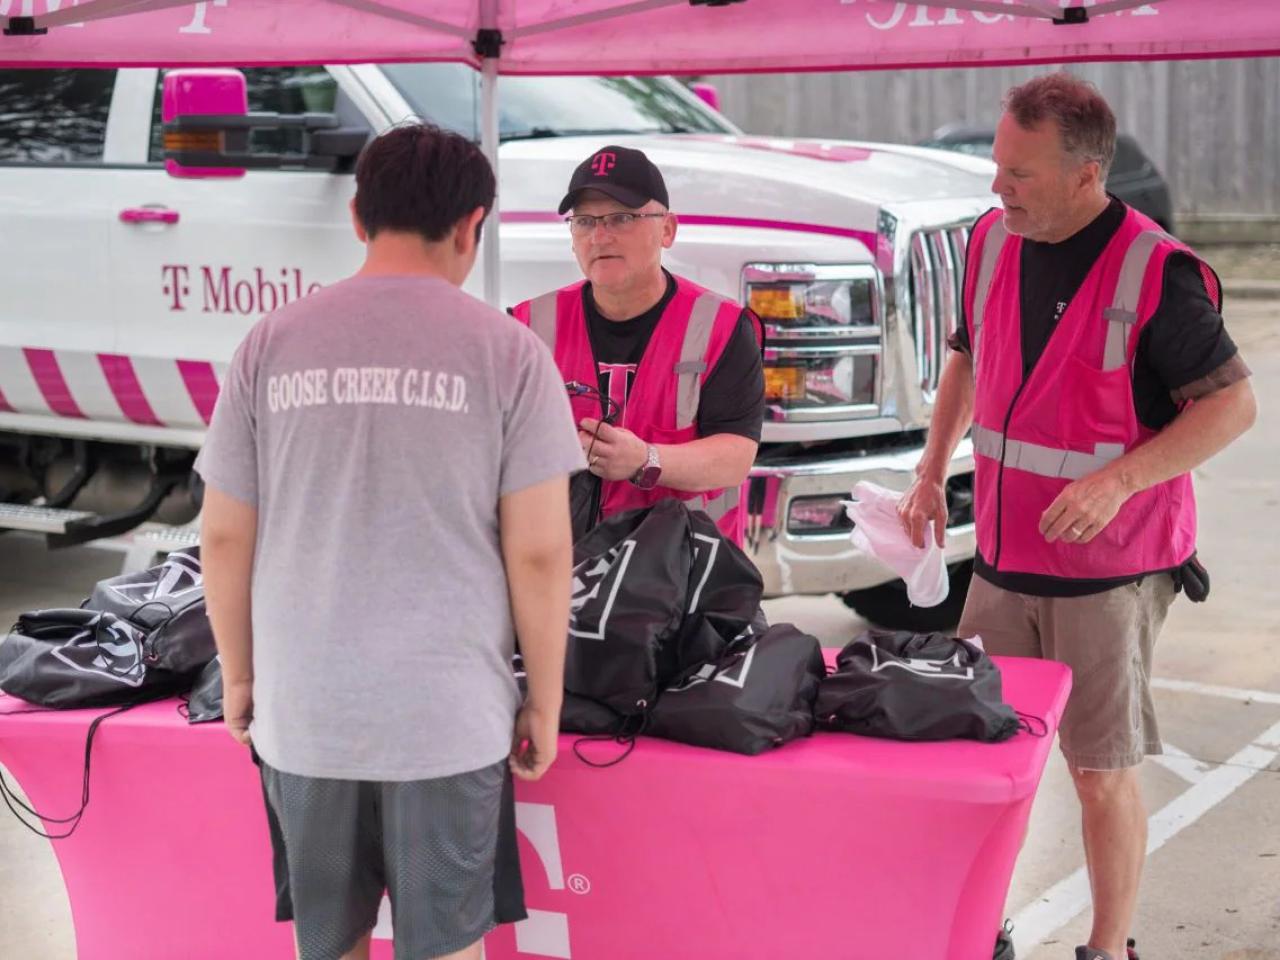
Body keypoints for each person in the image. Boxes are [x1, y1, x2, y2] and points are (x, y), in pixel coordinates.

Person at [197, 122, 584, 960]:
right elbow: (541, 552)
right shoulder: (510, 355)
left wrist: (240, 678)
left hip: (305, 716)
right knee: (443, 949)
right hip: (446, 721)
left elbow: (224, 536)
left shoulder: (270, 344)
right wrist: (544, 701)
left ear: (358, 217)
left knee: (327, 945)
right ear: (471, 226)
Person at [898, 73, 1256, 960]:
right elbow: (965, 357)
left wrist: (1117, 483)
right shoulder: (991, 240)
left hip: (1110, 572)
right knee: (984, 762)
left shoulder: (1156, 271)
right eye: (996, 165)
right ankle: (986, 930)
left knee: (1098, 773)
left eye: (1017, 173)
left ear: (1086, 175)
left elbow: (1233, 407)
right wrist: (932, 467)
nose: (996, 187)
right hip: (1002, 560)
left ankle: (1107, 949)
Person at [510, 145, 765, 545]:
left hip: (687, 575)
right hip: (563, 573)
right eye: (584, 221)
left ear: (667, 229)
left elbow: (736, 457)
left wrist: (645, 460)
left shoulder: (720, 327)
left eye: (622, 217)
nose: (599, 235)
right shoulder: (528, 326)